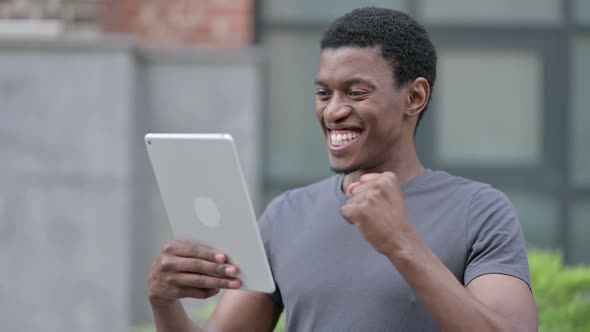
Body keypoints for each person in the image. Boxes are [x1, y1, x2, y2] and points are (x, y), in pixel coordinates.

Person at [148, 7, 538, 332]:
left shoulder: (479, 211)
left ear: (414, 97)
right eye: (323, 93)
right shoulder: (285, 215)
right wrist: (164, 303)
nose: (332, 111)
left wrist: (400, 242)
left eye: (356, 93)